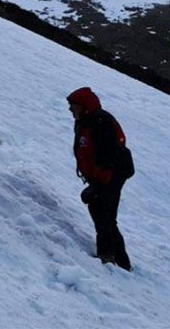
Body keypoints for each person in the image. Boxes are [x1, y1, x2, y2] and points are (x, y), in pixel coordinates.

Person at [67, 87, 134, 271]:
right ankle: (119, 259)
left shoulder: (99, 122)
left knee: (103, 212)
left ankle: (109, 256)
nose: (71, 110)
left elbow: (108, 154)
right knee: (104, 213)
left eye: (73, 106)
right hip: (106, 176)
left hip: (111, 176)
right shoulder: (87, 120)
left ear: (83, 106)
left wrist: (97, 183)